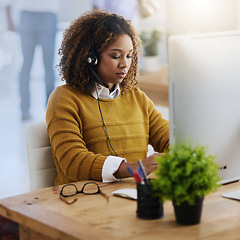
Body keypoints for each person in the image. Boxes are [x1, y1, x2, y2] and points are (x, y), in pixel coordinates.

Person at [46, 10, 169, 185]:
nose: (125, 64)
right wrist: (133, 168)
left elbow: (167, 137)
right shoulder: (65, 98)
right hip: (83, 200)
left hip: (131, 196)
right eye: (115, 56)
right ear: (90, 57)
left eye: (129, 55)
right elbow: (72, 161)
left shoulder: (136, 97)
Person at [7, 0, 59, 120]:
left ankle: (50, 109)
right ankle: (26, 110)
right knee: (29, 65)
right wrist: (9, 18)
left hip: (45, 14)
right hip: (32, 14)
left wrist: (9, 16)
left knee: (46, 65)